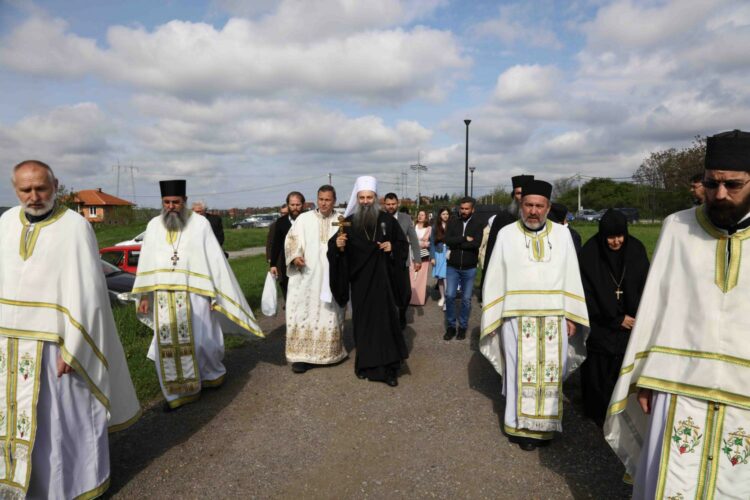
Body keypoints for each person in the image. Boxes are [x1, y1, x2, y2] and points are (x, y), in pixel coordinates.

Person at [605, 130, 750, 499]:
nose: (720, 194)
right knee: (673, 480)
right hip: (676, 382)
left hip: (745, 391)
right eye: (711, 183)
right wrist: (645, 375)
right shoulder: (677, 227)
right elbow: (656, 306)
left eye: (733, 185)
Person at [0, 160, 140, 498]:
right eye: (25, 190)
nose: (34, 196)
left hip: (57, 348)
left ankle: (75, 485)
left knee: (62, 423)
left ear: (55, 185)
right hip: (11, 345)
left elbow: (88, 293)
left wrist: (75, 349)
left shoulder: (75, 227)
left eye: (41, 188)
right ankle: (20, 484)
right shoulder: (5, 222)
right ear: (15, 189)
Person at [133, 179, 263, 410]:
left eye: (175, 202)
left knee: (203, 340)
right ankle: (176, 394)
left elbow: (214, 259)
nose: (171, 206)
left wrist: (215, 294)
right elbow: (146, 262)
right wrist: (144, 295)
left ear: (184, 201)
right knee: (167, 345)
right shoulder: (153, 226)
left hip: (195, 292)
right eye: (166, 202)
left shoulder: (200, 224)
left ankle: (211, 375)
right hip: (163, 295)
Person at [479, 179, 589, 451]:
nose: (533, 211)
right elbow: (494, 276)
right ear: (521, 204)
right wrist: (493, 317)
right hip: (516, 317)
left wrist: (572, 315)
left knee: (552, 374)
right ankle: (519, 427)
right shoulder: (505, 234)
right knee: (519, 372)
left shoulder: (563, 236)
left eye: (539, 206)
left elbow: (572, 276)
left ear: (548, 207)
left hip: (555, 317)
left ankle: (546, 428)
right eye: (528, 204)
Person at [328, 176, 409, 387]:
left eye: (369, 197)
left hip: (383, 283)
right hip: (361, 283)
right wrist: (337, 245)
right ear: (357, 198)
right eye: (362, 197)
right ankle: (365, 365)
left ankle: (390, 369)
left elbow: (402, 245)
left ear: (375, 198)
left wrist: (393, 248)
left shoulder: (387, 221)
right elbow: (333, 249)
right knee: (363, 325)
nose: (365, 201)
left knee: (385, 324)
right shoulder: (348, 222)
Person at [578, 209, 649, 427]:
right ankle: (599, 412)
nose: (616, 242)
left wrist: (636, 315)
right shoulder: (590, 252)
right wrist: (615, 319)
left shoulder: (635, 249)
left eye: (620, 236)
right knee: (599, 371)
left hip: (632, 324)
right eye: (611, 237)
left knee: (624, 367)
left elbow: (646, 283)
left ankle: (624, 411)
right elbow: (586, 293)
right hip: (601, 324)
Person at [283, 185, 345, 373]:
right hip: (307, 275)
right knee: (303, 311)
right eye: (320, 199)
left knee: (330, 311)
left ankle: (329, 353)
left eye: (327, 199)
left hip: (331, 275)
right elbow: (291, 240)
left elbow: (349, 245)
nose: (323, 203)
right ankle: (302, 357)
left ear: (334, 200)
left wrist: (343, 246)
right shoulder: (304, 218)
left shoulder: (341, 220)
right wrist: (294, 257)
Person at [478, 174, 532, 303]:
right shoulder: (502, 218)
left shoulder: (542, 219)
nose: (521, 197)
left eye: (525, 193)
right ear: (514, 196)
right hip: (507, 276)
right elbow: (491, 250)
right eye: (518, 193)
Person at [443, 197, 484, 341]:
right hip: (453, 266)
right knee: (449, 296)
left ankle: (463, 327)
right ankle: (451, 326)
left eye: (467, 209)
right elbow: (447, 240)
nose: (464, 211)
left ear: (472, 209)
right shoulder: (453, 222)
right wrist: (465, 238)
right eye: (462, 208)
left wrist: (458, 242)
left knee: (466, 299)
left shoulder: (478, 224)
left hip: (469, 268)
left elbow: (476, 244)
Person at [383, 193, 421, 328]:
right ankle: (390, 317)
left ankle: (402, 313)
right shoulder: (380, 218)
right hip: (384, 262)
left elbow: (414, 239)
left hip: (402, 261)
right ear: (384, 204)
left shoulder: (405, 218)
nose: (391, 207)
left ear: (397, 204)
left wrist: (418, 259)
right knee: (387, 291)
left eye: (393, 204)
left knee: (404, 291)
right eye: (388, 204)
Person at [270, 192, 305, 298]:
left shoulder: (308, 219)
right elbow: (276, 244)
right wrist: (273, 264)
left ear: (303, 205)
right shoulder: (281, 222)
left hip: (306, 263)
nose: (295, 208)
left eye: (298, 205)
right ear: (288, 205)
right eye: (292, 205)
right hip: (287, 265)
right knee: (289, 294)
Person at [409, 209, 432, 305]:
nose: (420, 216)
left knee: (421, 278)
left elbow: (431, 242)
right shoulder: (413, 227)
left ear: (426, 217)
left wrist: (422, 243)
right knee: (411, 276)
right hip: (412, 254)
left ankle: (419, 300)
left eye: (422, 215)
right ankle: (410, 298)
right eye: (419, 214)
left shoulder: (429, 228)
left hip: (423, 255)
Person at [430, 207, 450, 309]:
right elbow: (432, 243)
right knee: (441, 278)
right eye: (443, 214)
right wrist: (432, 257)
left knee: (447, 277)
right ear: (440, 216)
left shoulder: (453, 226)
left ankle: (447, 299)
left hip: (449, 254)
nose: (445, 216)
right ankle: (442, 297)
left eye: (447, 214)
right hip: (438, 254)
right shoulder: (435, 227)